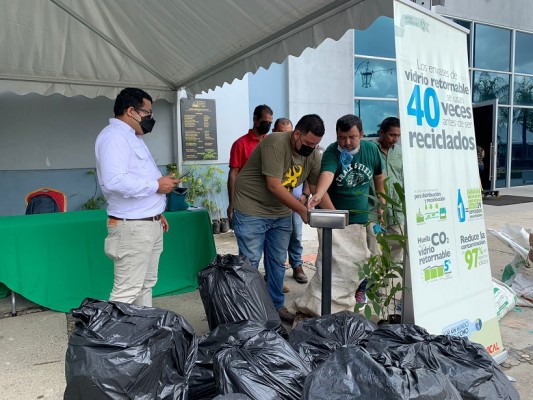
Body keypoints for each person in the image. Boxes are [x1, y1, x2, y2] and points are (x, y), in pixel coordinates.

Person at [231, 114, 325, 324]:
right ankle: (248, 313)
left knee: (276, 262)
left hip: (280, 211)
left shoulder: (313, 154)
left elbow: (319, 186)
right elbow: (274, 185)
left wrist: (331, 211)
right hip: (251, 208)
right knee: (250, 262)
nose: (311, 148)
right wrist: (301, 209)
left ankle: (275, 306)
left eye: (316, 144)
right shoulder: (275, 142)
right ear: (297, 133)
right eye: (308, 143)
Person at [95, 87, 180, 307]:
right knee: (127, 290)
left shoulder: (131, 137)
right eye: (148, 113)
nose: (151, 119)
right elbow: (114, 180)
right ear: (131, 111)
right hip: (132, 228)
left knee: (145, 284)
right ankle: (115, 341)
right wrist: (156, 185)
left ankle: (141, 335)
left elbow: (137, 178)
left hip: (146, 223)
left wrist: (155, 212)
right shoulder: (114, 137)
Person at [294, 114, 384, 317]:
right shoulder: (332, 153)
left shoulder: (371, 150)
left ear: (361, 134)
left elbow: (379, 176)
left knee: (364, 258)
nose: (347, 142)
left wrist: (382, 203)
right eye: (342, 137)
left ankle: (359, 292)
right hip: (334, 217)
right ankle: (327, 303)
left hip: (362, 216)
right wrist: (319, 197)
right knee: (333, 264)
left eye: (352, 137)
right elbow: (327, 174)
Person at [360, 117, 403, 304]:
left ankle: (383, 280)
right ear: (381, 133)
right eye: (392, 135)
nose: (395, 139)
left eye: (398, 135)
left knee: (397, 246)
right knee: (374, 249)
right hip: (374, 209)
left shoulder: (400, 152)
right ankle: (370, 284)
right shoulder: (369, 150)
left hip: (397, 208)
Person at [273, 118, 309, 285]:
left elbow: (309, 174)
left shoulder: (302, 151)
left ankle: (297, 266)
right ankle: (274, 273)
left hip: (296, 203)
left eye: (289, 132)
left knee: (296, 236)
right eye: (282, 132)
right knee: (276, 240)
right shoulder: (273, 151)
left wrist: (305, 195)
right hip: (277, 204)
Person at [227, 105, 273, 224]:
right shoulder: (240, 144)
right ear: (255, 119)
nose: (267, 125)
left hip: (269, 202)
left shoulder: (271, 142)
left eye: (270, 123)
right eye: (264, 122)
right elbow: (233, 174)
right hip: (246, 201)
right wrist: (232, 203)